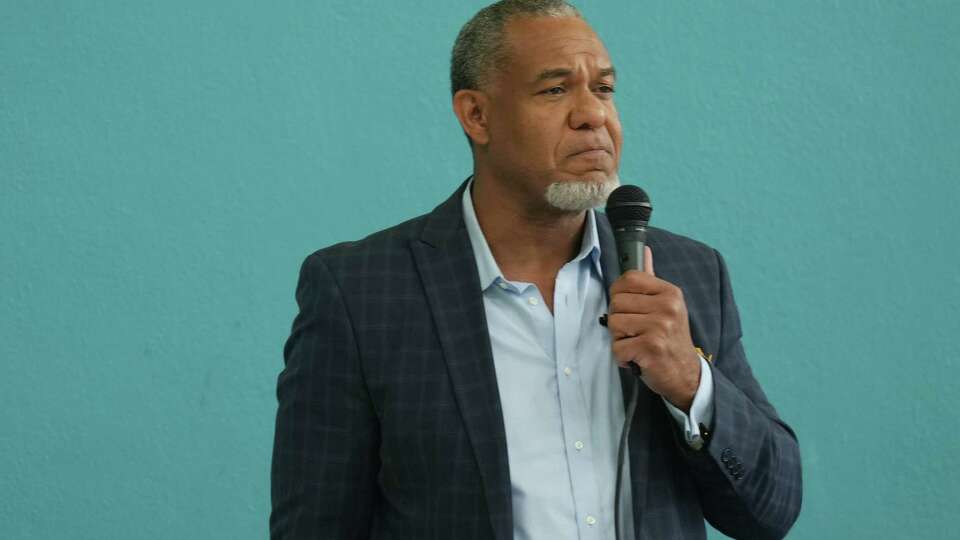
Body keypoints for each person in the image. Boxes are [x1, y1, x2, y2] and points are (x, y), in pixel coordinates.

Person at [270, 1, 802, 538]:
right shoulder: (361, 294)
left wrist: (690, 383)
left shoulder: (687, 274)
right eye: (555, 89)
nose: (593, 114)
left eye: (604, 89)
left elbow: (770, 510)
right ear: (477, 115)